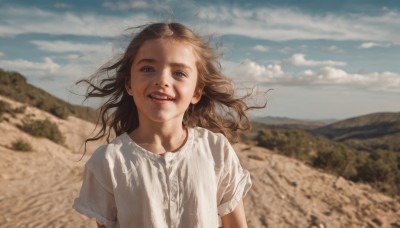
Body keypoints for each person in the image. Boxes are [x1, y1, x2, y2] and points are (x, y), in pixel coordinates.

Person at [73, 22, 263, 228]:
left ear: (197, 91)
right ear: (129, 83)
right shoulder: (108, 162)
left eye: (179, 73)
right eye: (147, 68)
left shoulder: (216, 150)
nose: (162, 80)